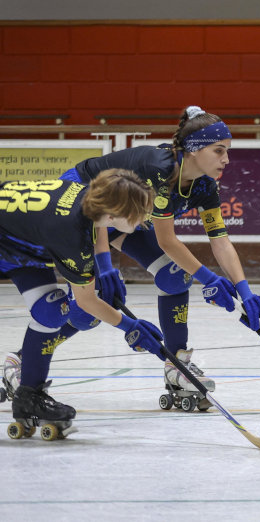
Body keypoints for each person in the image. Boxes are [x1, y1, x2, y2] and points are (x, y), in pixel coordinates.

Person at [3, 106, 260, 411]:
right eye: (219, 150)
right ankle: (25, 359)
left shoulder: (205, 184)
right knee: (89, 302)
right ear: (194, 151)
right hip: (87, 207)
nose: (227, 158)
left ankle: (176, 364)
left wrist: (244, 288)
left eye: (228, 150)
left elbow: (220, 240)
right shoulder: (159, 169)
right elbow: (164, 239)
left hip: (125, 216)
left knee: (173, 274)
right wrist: (106, 266)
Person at [0, 169, 165, 437]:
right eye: (139, 215)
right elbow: (87, 301)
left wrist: (104, 264)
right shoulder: (71, 237)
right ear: (113, 215)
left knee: (52, 310)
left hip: (20, 243)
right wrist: (131, 326)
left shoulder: (88, 197)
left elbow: (97, 225)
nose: (145, 219)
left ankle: (29, 397)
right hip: (12, 242)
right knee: (57, 308)